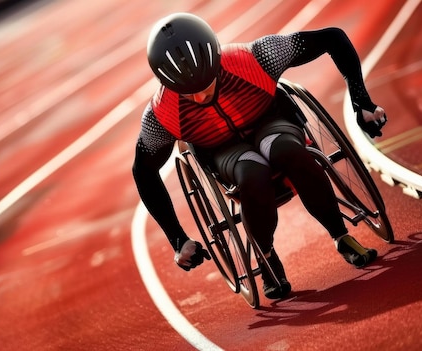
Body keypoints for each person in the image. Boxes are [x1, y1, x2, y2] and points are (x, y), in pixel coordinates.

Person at [132, 13, 387, 299]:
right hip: (223, 151)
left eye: (207, 85)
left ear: (217, 60)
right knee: (252, 173)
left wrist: (361, 101)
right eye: (190, 93)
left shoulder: (257, 56)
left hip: (271, 122)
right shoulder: (160, 115)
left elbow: (333, 38)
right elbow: (143, 172)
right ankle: (265, 256)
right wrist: (177, 239)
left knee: (288, 151)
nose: (202, 97)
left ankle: (341, 236)